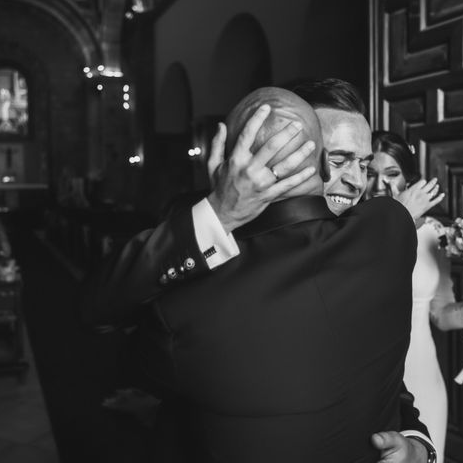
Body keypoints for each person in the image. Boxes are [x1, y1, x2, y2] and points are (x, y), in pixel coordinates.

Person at [103, 86, 436, 463]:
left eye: (363, 164)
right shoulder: (195, 244)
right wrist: (221, 214)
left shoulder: (375, 239)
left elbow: (380, 370)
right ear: (278, 154)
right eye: (339, 159)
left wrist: (417, 445)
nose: (357, 183)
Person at [365, 130, 463, 457]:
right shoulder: (348, 234)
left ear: (409, 179)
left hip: (422, 376)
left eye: (392, 174)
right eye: (369, 173)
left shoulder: (433, 233)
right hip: (369, 380)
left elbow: (441, 315)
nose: (380, 185)